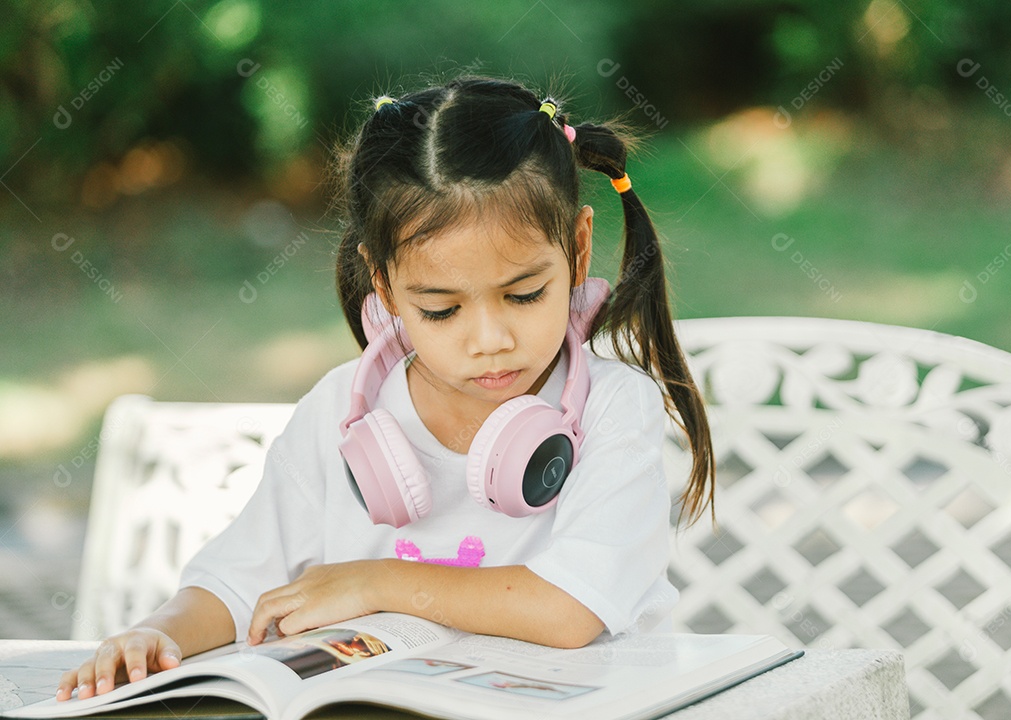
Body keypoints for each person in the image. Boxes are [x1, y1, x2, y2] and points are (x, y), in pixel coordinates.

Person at [57, 75, 715, 701]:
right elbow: (236, 580)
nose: (489, 339)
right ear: (384, 284)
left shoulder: (611, 409)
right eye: (440, 309)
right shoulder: (340, 414)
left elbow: (570, 609)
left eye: (524, 294)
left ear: (577, 250)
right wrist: (159, 634)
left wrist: (376, 583)